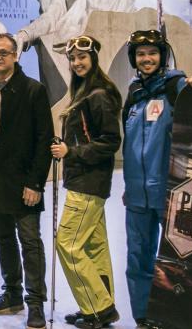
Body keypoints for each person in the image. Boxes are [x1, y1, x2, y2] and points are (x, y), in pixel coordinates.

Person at [121, 29, 192, 328]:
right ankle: (143, 315)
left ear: (162, 56)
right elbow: (128, 144)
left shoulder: (175, 86)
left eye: (152, 53)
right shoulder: (134, 92)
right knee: (138, 257)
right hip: (136, 192)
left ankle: (174, 311)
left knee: (175, 258)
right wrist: (127, 188)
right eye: (141, 54)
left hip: (170, 190)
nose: (147, 59)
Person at [0, 33, 53, 329]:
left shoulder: (33, 90)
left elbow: (44, 139)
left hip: (24, 184)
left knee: (30, 241)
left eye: (2, 53)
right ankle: (12, 293)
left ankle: (35, 302)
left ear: (15, 56)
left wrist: (36, 184)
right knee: (3, 239)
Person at [49, 35, 123, 329]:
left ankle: (98, 307)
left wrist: (72, 151)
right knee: (94, 247)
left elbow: (110, 141)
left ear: (93, 58)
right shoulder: (85, 93)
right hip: (86, 181)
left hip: (87, 184)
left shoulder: (99, 95)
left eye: (82, 57)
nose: (77, 63)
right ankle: (100, 306)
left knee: (67, 244)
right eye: (72, 59)